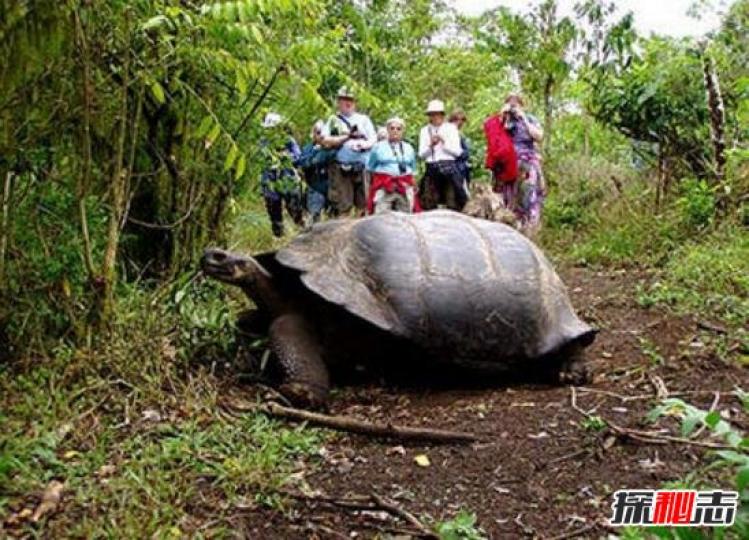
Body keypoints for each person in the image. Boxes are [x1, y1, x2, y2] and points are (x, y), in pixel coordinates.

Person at [321, 86, 377, 215]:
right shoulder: (333, 120)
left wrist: (364, 145)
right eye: (344, 99)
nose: (348, 103)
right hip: (341, 168)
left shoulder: (364, 120)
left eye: (350, 100)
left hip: (363, 167)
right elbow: (325, 140)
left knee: (363, 203)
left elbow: (373, 139)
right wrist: (347, 137)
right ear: (338, 102)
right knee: (343, 204)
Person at [501, 93, 545, 233]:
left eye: (516, 103)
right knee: (509, 196)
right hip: (509, 163)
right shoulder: (505, 121)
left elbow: (538, 136)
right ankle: (512, 226)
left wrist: (523, 118)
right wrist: (503, 117)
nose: (513, 105)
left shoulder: (530, 119)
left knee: (528, 193)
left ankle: (530, 226)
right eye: (510, 103)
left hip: (527, 161)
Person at [259, 112, 303, 237]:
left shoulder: (289, 140)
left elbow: (298, 156)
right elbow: (261, 157)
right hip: (270, 181)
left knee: (295, 209)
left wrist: (286, 157)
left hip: (288, 179)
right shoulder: (263, 141)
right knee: (274, 212)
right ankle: (278, 235)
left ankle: (300, 233)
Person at [417, 99, 467, 211]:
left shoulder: (451, 129)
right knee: (429, 202)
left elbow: (457, 152)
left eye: (437, 114)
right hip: (432, 168)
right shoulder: (424, 131)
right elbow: (421, 154)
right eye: (432, 114)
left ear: (442, 115)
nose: (434, 117)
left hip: (449, 168)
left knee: (452, 201)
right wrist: (431, 145)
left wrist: (444, 142)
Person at [366, 117, 420, 215]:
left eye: (398, 129)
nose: (395, 131)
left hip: (404, 184)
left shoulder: (409, 148)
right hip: (384, 183)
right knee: (380, 213)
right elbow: (370, 167)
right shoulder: (378, 147)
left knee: (407, 213)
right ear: (387, 130)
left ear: (403, 131)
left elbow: (413, 169)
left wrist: (413, 184)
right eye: (392, 128)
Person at [296, 120, 335, 225]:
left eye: (323, 133)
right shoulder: (308, 148)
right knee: (314, 218)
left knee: (335, 220)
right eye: (318, 132)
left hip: (334, 188)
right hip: (315, 187)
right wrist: (316, 153)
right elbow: (303, 163)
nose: (321, 136)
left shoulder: (333, 147)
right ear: (313, 134)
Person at [449, 109, 472, 189]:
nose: (461, 123)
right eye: (460, 120)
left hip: (462, 168)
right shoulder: (450, 132)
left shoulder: (459, 133)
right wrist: (464, 153)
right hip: (456, 167)